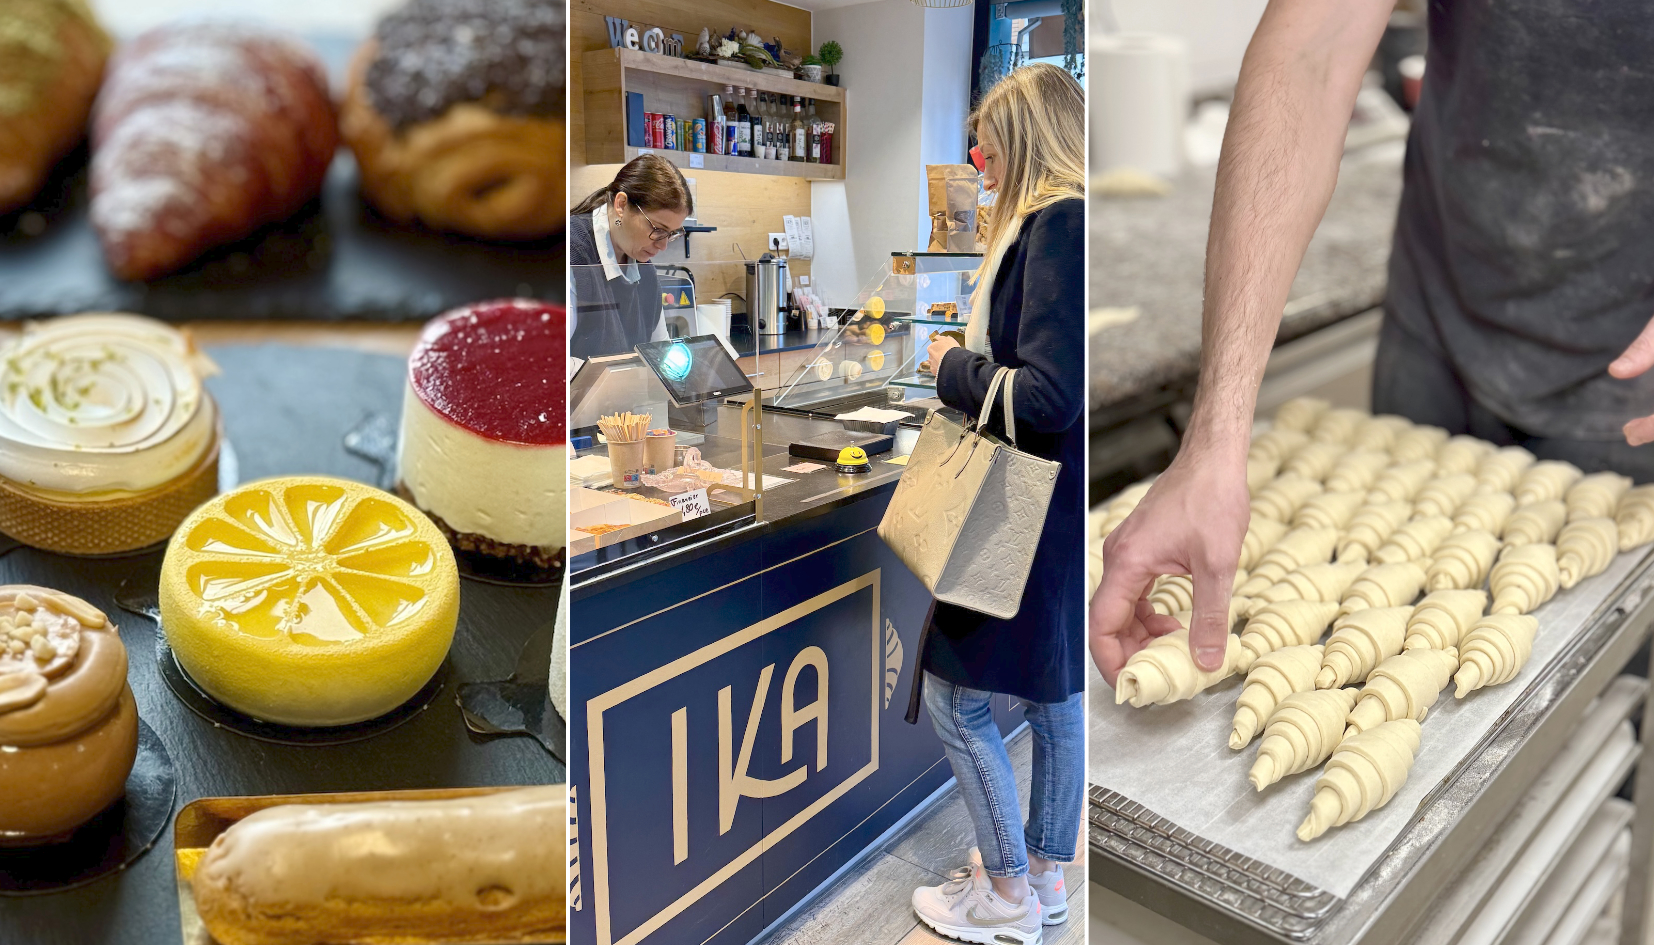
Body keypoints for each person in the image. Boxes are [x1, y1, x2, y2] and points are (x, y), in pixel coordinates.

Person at [1091, 3, 1654, 682]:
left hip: (1631, 363)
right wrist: (1215, 438)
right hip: (1443, 294)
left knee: (1594, 679)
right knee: (1404, 630)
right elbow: (1309, 57)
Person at [905, 61, 1086, 945]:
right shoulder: (1064, 222)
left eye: (989, 139)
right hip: (1050, 507)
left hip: (1017, 504)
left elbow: (1050, 394)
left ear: (1022, 140)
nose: (978, 156)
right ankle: (1047, 874)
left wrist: (949, 367)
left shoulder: (1057, 227)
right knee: (1056, 694)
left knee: (954, 696)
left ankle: (1007, 893)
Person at [568, 154, 692, 361]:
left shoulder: (644, 270)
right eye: (658, 229)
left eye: (672, 233)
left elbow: (660, 352)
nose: (662, 246)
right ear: (622, 205)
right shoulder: (572, 251)